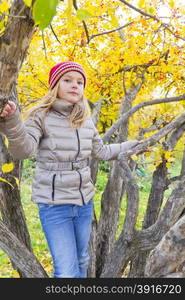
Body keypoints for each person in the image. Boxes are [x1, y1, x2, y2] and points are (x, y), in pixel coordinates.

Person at [0, 61, 139, 278]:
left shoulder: (85, 119)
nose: (75, 85)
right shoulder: (40, 116)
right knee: (66, 272)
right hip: (55, 205)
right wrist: (12, 120)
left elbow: (101, 152)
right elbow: (23, 150)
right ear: (55, 84)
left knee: (82, 260)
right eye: (67, 80)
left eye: (79, 82)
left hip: (83, 202)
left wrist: (133, 145)